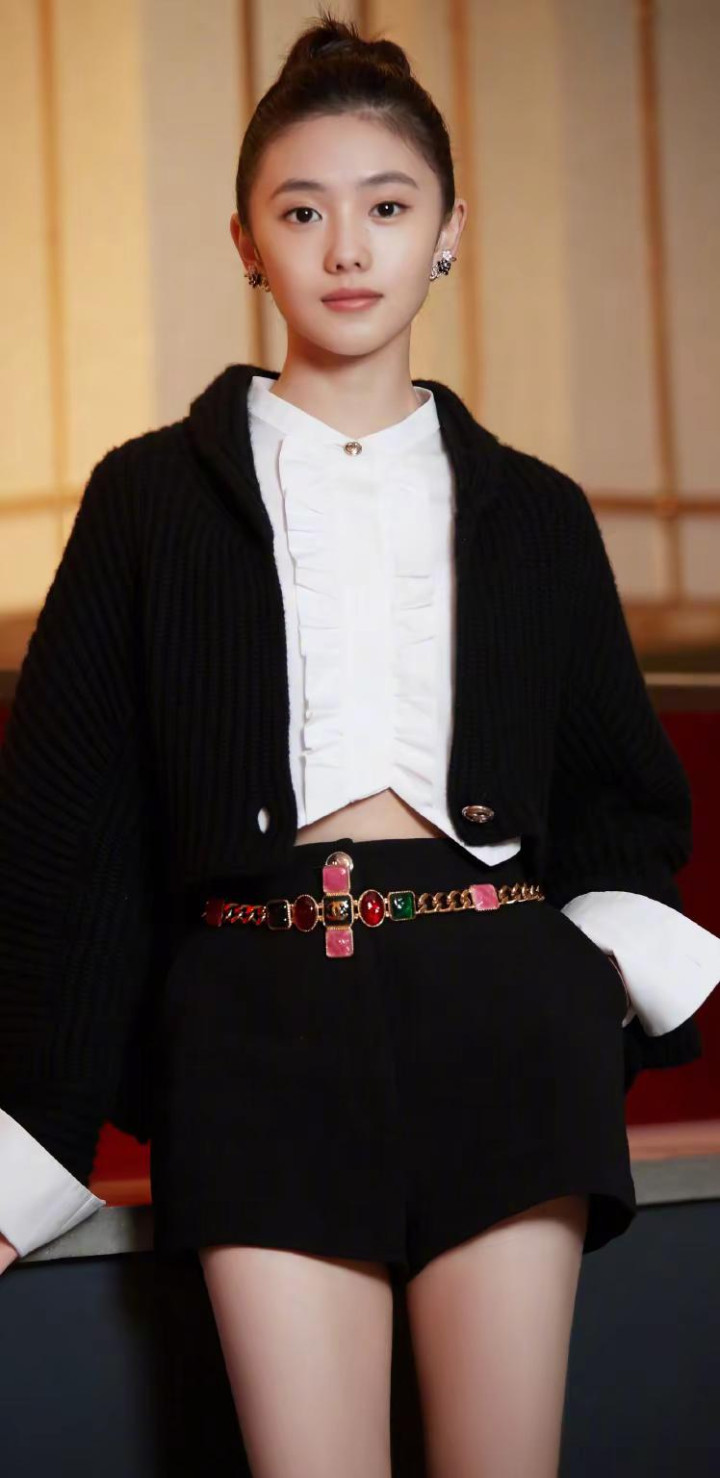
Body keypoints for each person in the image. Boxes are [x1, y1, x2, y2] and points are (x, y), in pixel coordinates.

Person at [2, 9, 719, 1475]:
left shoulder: (538, 511)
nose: (347, 249)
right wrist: (27, 1147)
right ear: (245, 242)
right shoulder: (147, 503)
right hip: (253, 1026)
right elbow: (66, 839)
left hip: (509, 1022)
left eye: (388, 209)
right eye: (302, 211)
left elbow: (625, 803)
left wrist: (582, 978)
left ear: (449, 233)